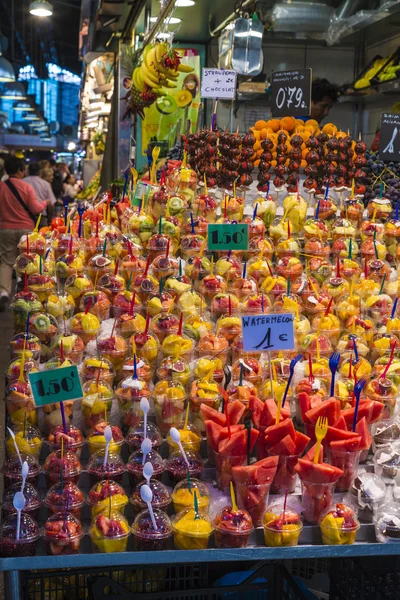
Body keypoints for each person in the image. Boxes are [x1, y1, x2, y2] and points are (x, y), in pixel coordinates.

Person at [0, 156, 49, 309]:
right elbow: (35, 208)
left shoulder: (1, 186)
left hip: (6, 228)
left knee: (6, 261)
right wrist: (44, 203)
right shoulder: (26, 186)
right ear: (21, 170)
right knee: (28, 261)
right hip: (26, 229)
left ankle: (3, 292)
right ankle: (26, 290)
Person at [24, 162, 57, 227]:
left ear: (28, 171)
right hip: (41, 218)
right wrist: (49, 221)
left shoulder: (22, 182)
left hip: (24, 218)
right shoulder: (45, 184)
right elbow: (51, 204)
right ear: (39, 172)